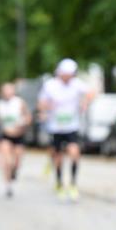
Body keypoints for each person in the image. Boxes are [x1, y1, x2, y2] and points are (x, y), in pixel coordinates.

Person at [38, 59, 94, 202]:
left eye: (71, 75)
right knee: (58, 156)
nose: (68, 77)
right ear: (60, 73)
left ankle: (73, 184)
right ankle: (59, 182)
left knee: (74, 152)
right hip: (55, 126)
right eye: (66, 75)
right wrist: (45, 110)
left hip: (71, 126)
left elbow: (91, 92)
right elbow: (42, 103)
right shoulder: (50, 85)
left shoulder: (76, 84)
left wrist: (85, 102)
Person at [0, 82, 31, 198]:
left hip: (19, 135)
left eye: (10, 90)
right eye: (5, 90)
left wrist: (23, 124)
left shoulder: (19, 102)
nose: (7, 93)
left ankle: (14, 172)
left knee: (17, 161)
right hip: (5, 135)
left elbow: (28, 117)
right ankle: (8, 185)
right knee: (7, 161)